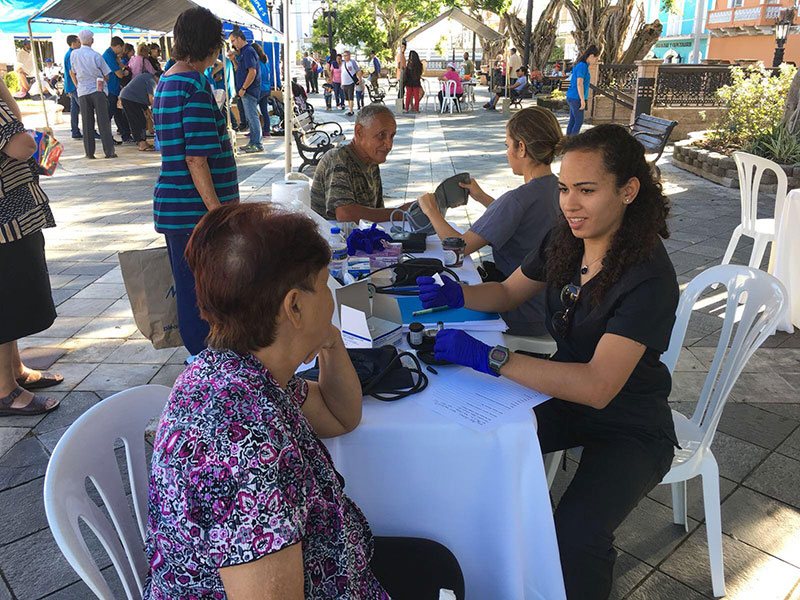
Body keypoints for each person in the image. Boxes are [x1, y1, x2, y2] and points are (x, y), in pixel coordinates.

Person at [143, 202, 465, 599]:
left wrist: (328, 338)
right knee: (439, 573)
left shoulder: (242, 373)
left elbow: (340, 416)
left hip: (333, 564)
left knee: (438, 566)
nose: (333, 298)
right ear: (294, 306)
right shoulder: (241, 442)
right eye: (327, 285)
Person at [418, 124, 678, 600]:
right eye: (563, 188)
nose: (570, 204)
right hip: (565, 396)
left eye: (586, 190)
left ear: (628, 191)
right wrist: (455, 294)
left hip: (631, 423)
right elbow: (507, 292)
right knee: (477, 447)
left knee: (577, 536)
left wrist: (494, 357)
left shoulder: (648, 276)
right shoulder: (567, 239)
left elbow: (599, 385)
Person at [416, 106, 562, 336]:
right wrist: (483, 198)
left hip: (520, 310)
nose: (506, 153)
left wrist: (430, 210)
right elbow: (520, 219)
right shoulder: (561, 189)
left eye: (507, 145)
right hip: (551, 309)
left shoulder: (517, 199)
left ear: (521, 148)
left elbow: (458, 248)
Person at [153, 7, 239, 358]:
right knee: (203, 294)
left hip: (176, 207)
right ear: (210, 44)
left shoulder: (169, 79)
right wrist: (218, 213)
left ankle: (201, 359)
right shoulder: (195, 88)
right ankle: (206, 363)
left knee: (191, 289)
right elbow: (196, 159)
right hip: (195, 213)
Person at [0, 80, 63, 418]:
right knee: (7, 300)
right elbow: (20, 144)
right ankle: (5, 390)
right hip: (4, 223)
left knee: (9, 299)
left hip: (10, 219)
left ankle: (14, 372)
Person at [311, 104, 411, 222]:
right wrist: (399, 213)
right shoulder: (338, 159)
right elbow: (345, 214)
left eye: (391, 136)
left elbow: (378, 211)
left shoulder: (371, 161)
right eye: (381, 135)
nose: (389, 144)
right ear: (359, 132)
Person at [70, 29, 116, 159]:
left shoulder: (74, 54)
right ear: (92, 40)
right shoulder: (96, 55)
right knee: (103, 122)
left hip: (82, 91)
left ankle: (89, 152)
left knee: (86, 122)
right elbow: (107, 75)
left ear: (80, 40)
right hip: (97, 90)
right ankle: (109, 151)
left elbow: (72, 71)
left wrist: (79, 84)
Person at [228, 29, 263, 153]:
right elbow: (239, 69)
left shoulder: (248, 51)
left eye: (233, 41)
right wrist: (233, 59)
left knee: (252, 117)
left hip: (249, 90)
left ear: (239, 38)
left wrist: (244, 88)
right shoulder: (243, 52)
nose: (232, 44)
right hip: (245, 90)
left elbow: (252, 72)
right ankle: (253, 142)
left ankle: (257, 143)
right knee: (250, 117)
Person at [103, 36, 132, 144]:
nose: (122, 51)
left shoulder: (113, 56)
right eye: (122, 48)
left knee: (118, 113)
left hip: (114, 88)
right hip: (109, 89)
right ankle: (107, 139)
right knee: (108, 115)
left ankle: (125, 135)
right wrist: (124, 73)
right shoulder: (108, 56)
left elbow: (120, 66)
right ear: (118, 46)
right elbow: (119, 74)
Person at [566, 44, 599, 135]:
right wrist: (582, 100)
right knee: (578, 122)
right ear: (591, 56)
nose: (596, 62)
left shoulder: (582, 65)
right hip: (576, 97)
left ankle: (567, 142)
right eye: (596, 59)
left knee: (573, 121)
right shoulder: (582, 66)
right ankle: (572, 143)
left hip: (573, 96)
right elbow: (579, 83)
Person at [120, 72, 157, 151]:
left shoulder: (147, 77)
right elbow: (152, 99)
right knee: (138, 121)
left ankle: (143, 142)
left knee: (140, 120)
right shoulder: (152, 81)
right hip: (130, 99)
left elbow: (141, 93)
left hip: (131, 98)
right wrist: (156, 111)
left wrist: (147, 109)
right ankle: (142, 144)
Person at [254, 42, 274, 139]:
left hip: (259, 88)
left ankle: (255, 131)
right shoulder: (265, 60)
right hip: (267, 88)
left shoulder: (256, 61)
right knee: (264, 111)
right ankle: (266, 130)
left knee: (252, 111)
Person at [64, 35, 82, 139]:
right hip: (74, 86)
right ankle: (89, 130)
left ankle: (75, 131)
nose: (80, 44)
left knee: (74, 109)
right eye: (78, 42)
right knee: (84, 108)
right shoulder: (72, 54)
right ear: (73, 43)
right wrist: (77, 86)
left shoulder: (69, 53)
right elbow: (72, 72)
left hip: (71, 86)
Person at [340, 49, 361, 116]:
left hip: (351, 82)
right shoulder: (343, 64)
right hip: (345, 83)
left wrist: (360, 79)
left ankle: (351, 111)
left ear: (349, 56)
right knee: (347, 98)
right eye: (344, 56)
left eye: (346, 55)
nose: (345, 57)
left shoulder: (352, 62)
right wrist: (342, 83)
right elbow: (342, 74)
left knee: (350, 97)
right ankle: (350, 109)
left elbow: (358, 70)